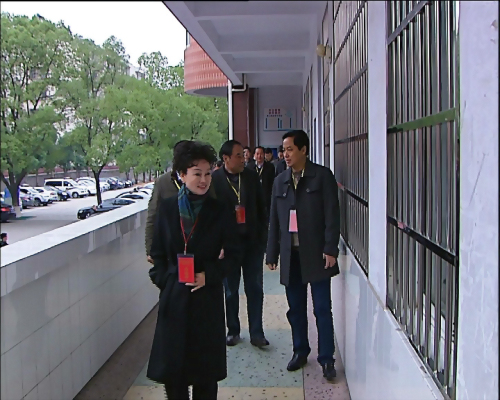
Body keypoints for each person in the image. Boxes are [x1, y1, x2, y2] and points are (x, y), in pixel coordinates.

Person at [146, 140, 240, 400]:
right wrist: (167, 281)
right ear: (182, 174)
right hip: (174, 302)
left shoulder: (220, 210)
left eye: (208, 173)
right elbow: (157, 254)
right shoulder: (167, 209)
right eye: (197, 174)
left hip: (206, 302)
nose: (204, 180)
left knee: (205, 378)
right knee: (174, 379)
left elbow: (234, 255)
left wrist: (209, 275)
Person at [266, 129, 341, 381]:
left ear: (303, 150)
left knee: (322, 308)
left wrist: (330, 248)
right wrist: (271, 253)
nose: (285, 154)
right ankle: (300, 351)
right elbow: (274, 220)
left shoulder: (322, 176)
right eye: (283, 150)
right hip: (291, 256)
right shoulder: (280, 181)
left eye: (290, 149)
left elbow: (332, 215)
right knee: (295, 309)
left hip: (317, 254)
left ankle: (327, 358)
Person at [211, 140, 269, 348]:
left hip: (252, 244)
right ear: (226, 158)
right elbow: (211, 216)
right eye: (238, 155)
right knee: (230, 291)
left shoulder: (251, 177)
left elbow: (262, 208)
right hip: (228, 247)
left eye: (243, 155)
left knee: (255, 288)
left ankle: (257, 333)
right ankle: (233, 330)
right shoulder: (215, 180)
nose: (243, 159)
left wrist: (262, 237)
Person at [145, 140, 215, 264]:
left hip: (201, 240)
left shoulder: (206, 180)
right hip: (174, 244)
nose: (203, 179)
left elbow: (214, 204)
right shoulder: (163, 182)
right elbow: (153, 215)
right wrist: (150, 249)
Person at [248, 146, 275, 221]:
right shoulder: (249, 167)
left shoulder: (270, 167)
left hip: (267, 197)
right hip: (254, 196)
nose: (259, 156)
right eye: (257, 154)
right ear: (254, 155)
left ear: (264, 154)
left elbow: (272, 182)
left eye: (261, 154)